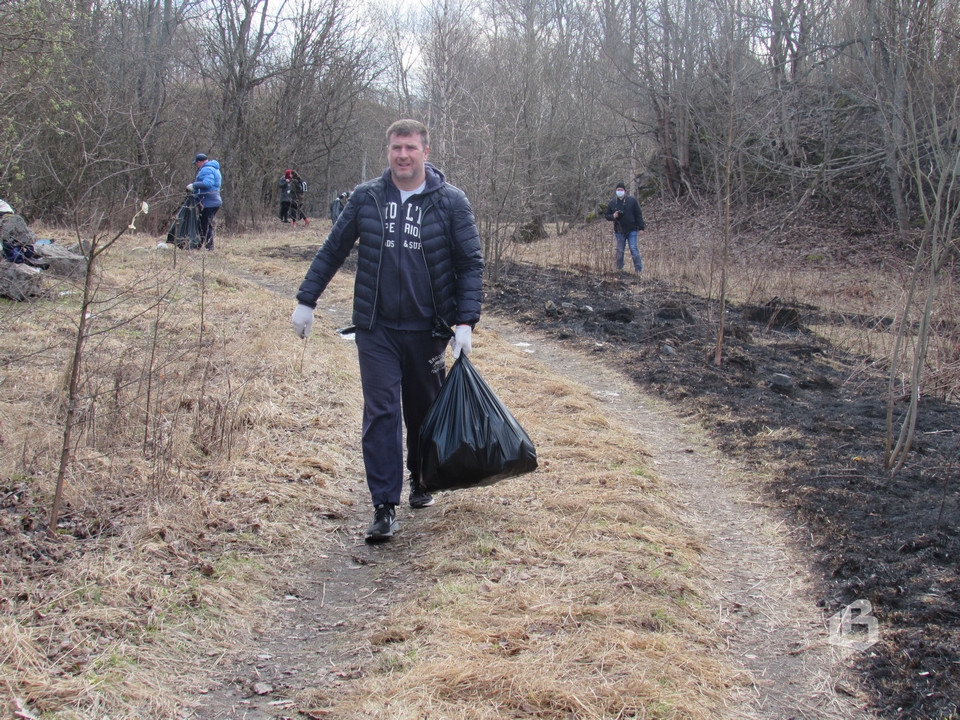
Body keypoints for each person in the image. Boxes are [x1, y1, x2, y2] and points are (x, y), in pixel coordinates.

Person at [291, 119, 484, 543]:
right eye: (396, 147)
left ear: (425, 152)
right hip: (375, 329)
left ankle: (420, 478)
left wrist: (465, 322)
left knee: (422, 413)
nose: (403, 155)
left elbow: (470, 264)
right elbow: (332, 250)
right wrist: (307, 300)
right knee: (381, 413)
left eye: (410, 148)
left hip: (427, 329)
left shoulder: (451, 202)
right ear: (388, 151)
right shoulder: (366, 199)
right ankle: (383, 505)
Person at [604, 181, 645, 274]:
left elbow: (638, 214)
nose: (619, 191)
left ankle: (639, 270)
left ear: (625, 191)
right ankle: (619, 269)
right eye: (618, 190)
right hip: (619, 230)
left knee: (634, 249)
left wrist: (641, 227)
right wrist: (613, 216)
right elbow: (607, 215)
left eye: (621, 190)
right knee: (619, 250)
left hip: (632, 229)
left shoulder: (632, 201)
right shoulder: (612, 202)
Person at [187, 153, 222, 250]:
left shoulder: (206, 169)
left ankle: (209, 247)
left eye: (196, 164)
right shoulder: (215, 169)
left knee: (205, 225)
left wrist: (194, 185)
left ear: (199, 162)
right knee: (202, 224)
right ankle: (199, 245)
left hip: (208, 202)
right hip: (215, 201)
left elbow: (207, 183)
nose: (196, 166)